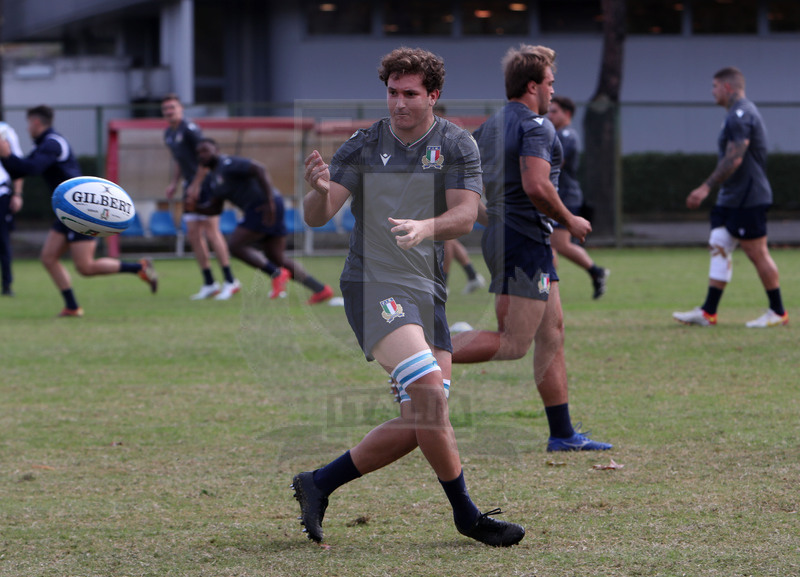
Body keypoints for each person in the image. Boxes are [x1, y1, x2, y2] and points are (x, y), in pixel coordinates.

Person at [296, 47, 525, 547]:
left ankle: (318, 483)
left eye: (410, 94)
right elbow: (319, 213)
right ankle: (466, 516)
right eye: (392, 92)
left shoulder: (457, 143)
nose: (399, 103)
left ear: (433, 96)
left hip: (428, 289)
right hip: (373, 281)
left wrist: (427, 225)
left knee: (426, 414)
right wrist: (316, 188)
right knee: (425, 387)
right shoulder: (362, 145)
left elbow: (465, 215)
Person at [451, 45, 612, 452]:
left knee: (552, 332)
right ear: (531, 86)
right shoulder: (538, 125)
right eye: (550, 83)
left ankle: (562, 434)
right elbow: (536, 185)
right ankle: (420, 357)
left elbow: (472, 183)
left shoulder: (488, 127)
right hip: (524, 241)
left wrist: (495, 220)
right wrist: (569, 220)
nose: (554, 92)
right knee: (513, 343)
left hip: (517, 237)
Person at [0, 105, 158, 317]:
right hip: (66, 211)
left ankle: (139, 267)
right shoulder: (45, 145)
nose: (28, 128)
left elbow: (32, 169)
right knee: (48, 258)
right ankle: (72, 307)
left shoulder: (52, 143)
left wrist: (7, 155)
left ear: (36, 122)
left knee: (85, 267)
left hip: (83, 211)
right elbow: (21, 169)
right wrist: (6, 157)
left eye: (29, 123)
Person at [673, 68, 787, 328]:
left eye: (714, 86)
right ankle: (708, 313)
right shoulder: (735, 115)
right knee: (719, 241)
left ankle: (778, 312)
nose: (712, 92)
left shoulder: (741, 114)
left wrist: (705, 187)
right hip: (732, 197)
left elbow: (735, 157)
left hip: (748, 196)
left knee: (757, 253)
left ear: (726, 87)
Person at [187, 138, 333, 304]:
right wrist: (195, 208)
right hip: (264, 206)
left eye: (205, 150)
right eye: (198, 153)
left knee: (235, 245)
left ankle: (276, 274)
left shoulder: (227, 163)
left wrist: (269, 201)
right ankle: (321, 290)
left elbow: (259, 168)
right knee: (276, 257)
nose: (201, 155)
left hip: (263, 205)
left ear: (216, 150)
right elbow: (215, 209)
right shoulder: (212, 178)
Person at [161, 94, 240, 301]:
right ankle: (209, 283)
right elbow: (179, 160)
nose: (169, 111)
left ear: (181, 109)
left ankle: (231, 281)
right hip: (189, 187)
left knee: (212, 232)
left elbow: (206, 157)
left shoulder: (190, 130)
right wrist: (174, 183)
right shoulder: (169, 134)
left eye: (173, 108)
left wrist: (196, 185)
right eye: (166, 109)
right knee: (194, 234)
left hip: (207, 185)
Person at [546, 95, 609, 299]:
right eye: (549, 111)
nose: (550, 115)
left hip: (565, 197)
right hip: (559, 196)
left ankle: (547, 287)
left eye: (554, 111)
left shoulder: (567, 136)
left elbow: (554, 165)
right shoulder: (558, 134)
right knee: (555, 244)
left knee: (554, 244)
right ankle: (595, 272)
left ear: (567, 114)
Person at [0, 121, 24, 296]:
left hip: (1, 194)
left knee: (3, 241)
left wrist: (17, 193)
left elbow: (17, 165)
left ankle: (7, 285)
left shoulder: (5, 130)